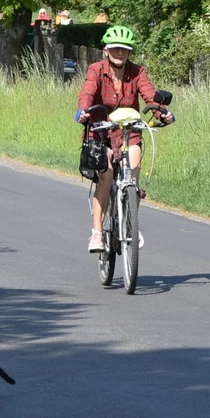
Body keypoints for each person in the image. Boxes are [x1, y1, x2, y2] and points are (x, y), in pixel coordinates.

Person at [75, 25, 173, 253]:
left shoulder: (137, 72)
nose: (120, 53)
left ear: (130, 53)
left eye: (125, 50)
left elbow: (150, 95)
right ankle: (97, 233)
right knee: (106, 175)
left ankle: (129, 223)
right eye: (116, 49)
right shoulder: (96, 70)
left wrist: (163, 112)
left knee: (134, 174)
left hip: (129, 131)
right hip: (100, 131)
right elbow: (87, 93)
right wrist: (84, 111)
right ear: (106, 49)